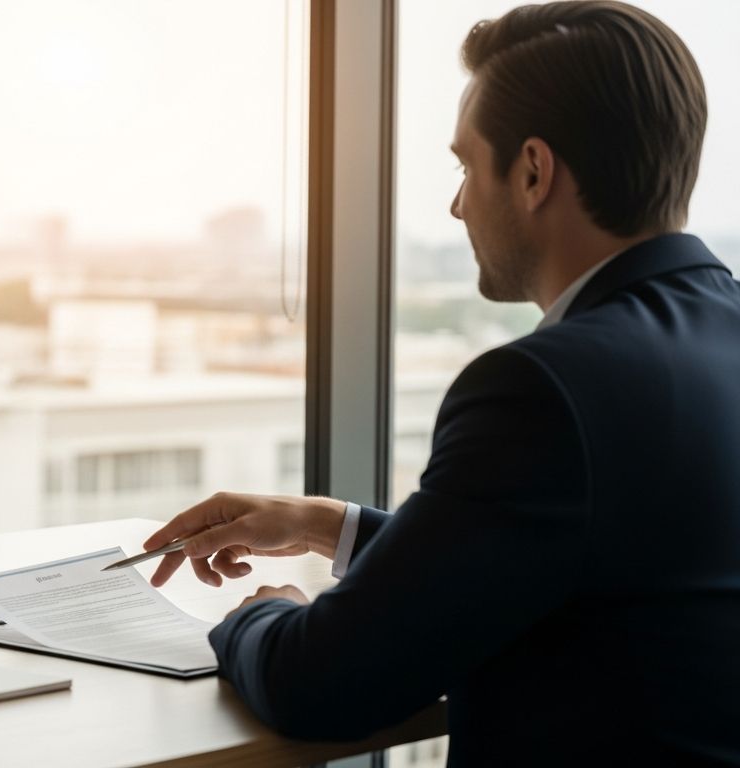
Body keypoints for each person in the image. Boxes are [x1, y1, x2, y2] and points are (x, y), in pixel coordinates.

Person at [143, 2, 740, 763]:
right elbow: (579, 571)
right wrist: (331, 524)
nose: (456, 205)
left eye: (464, 166)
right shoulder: (713, 338)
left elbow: (320, 683)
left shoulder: (544, 389)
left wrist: (260, 618)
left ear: (532, 171)